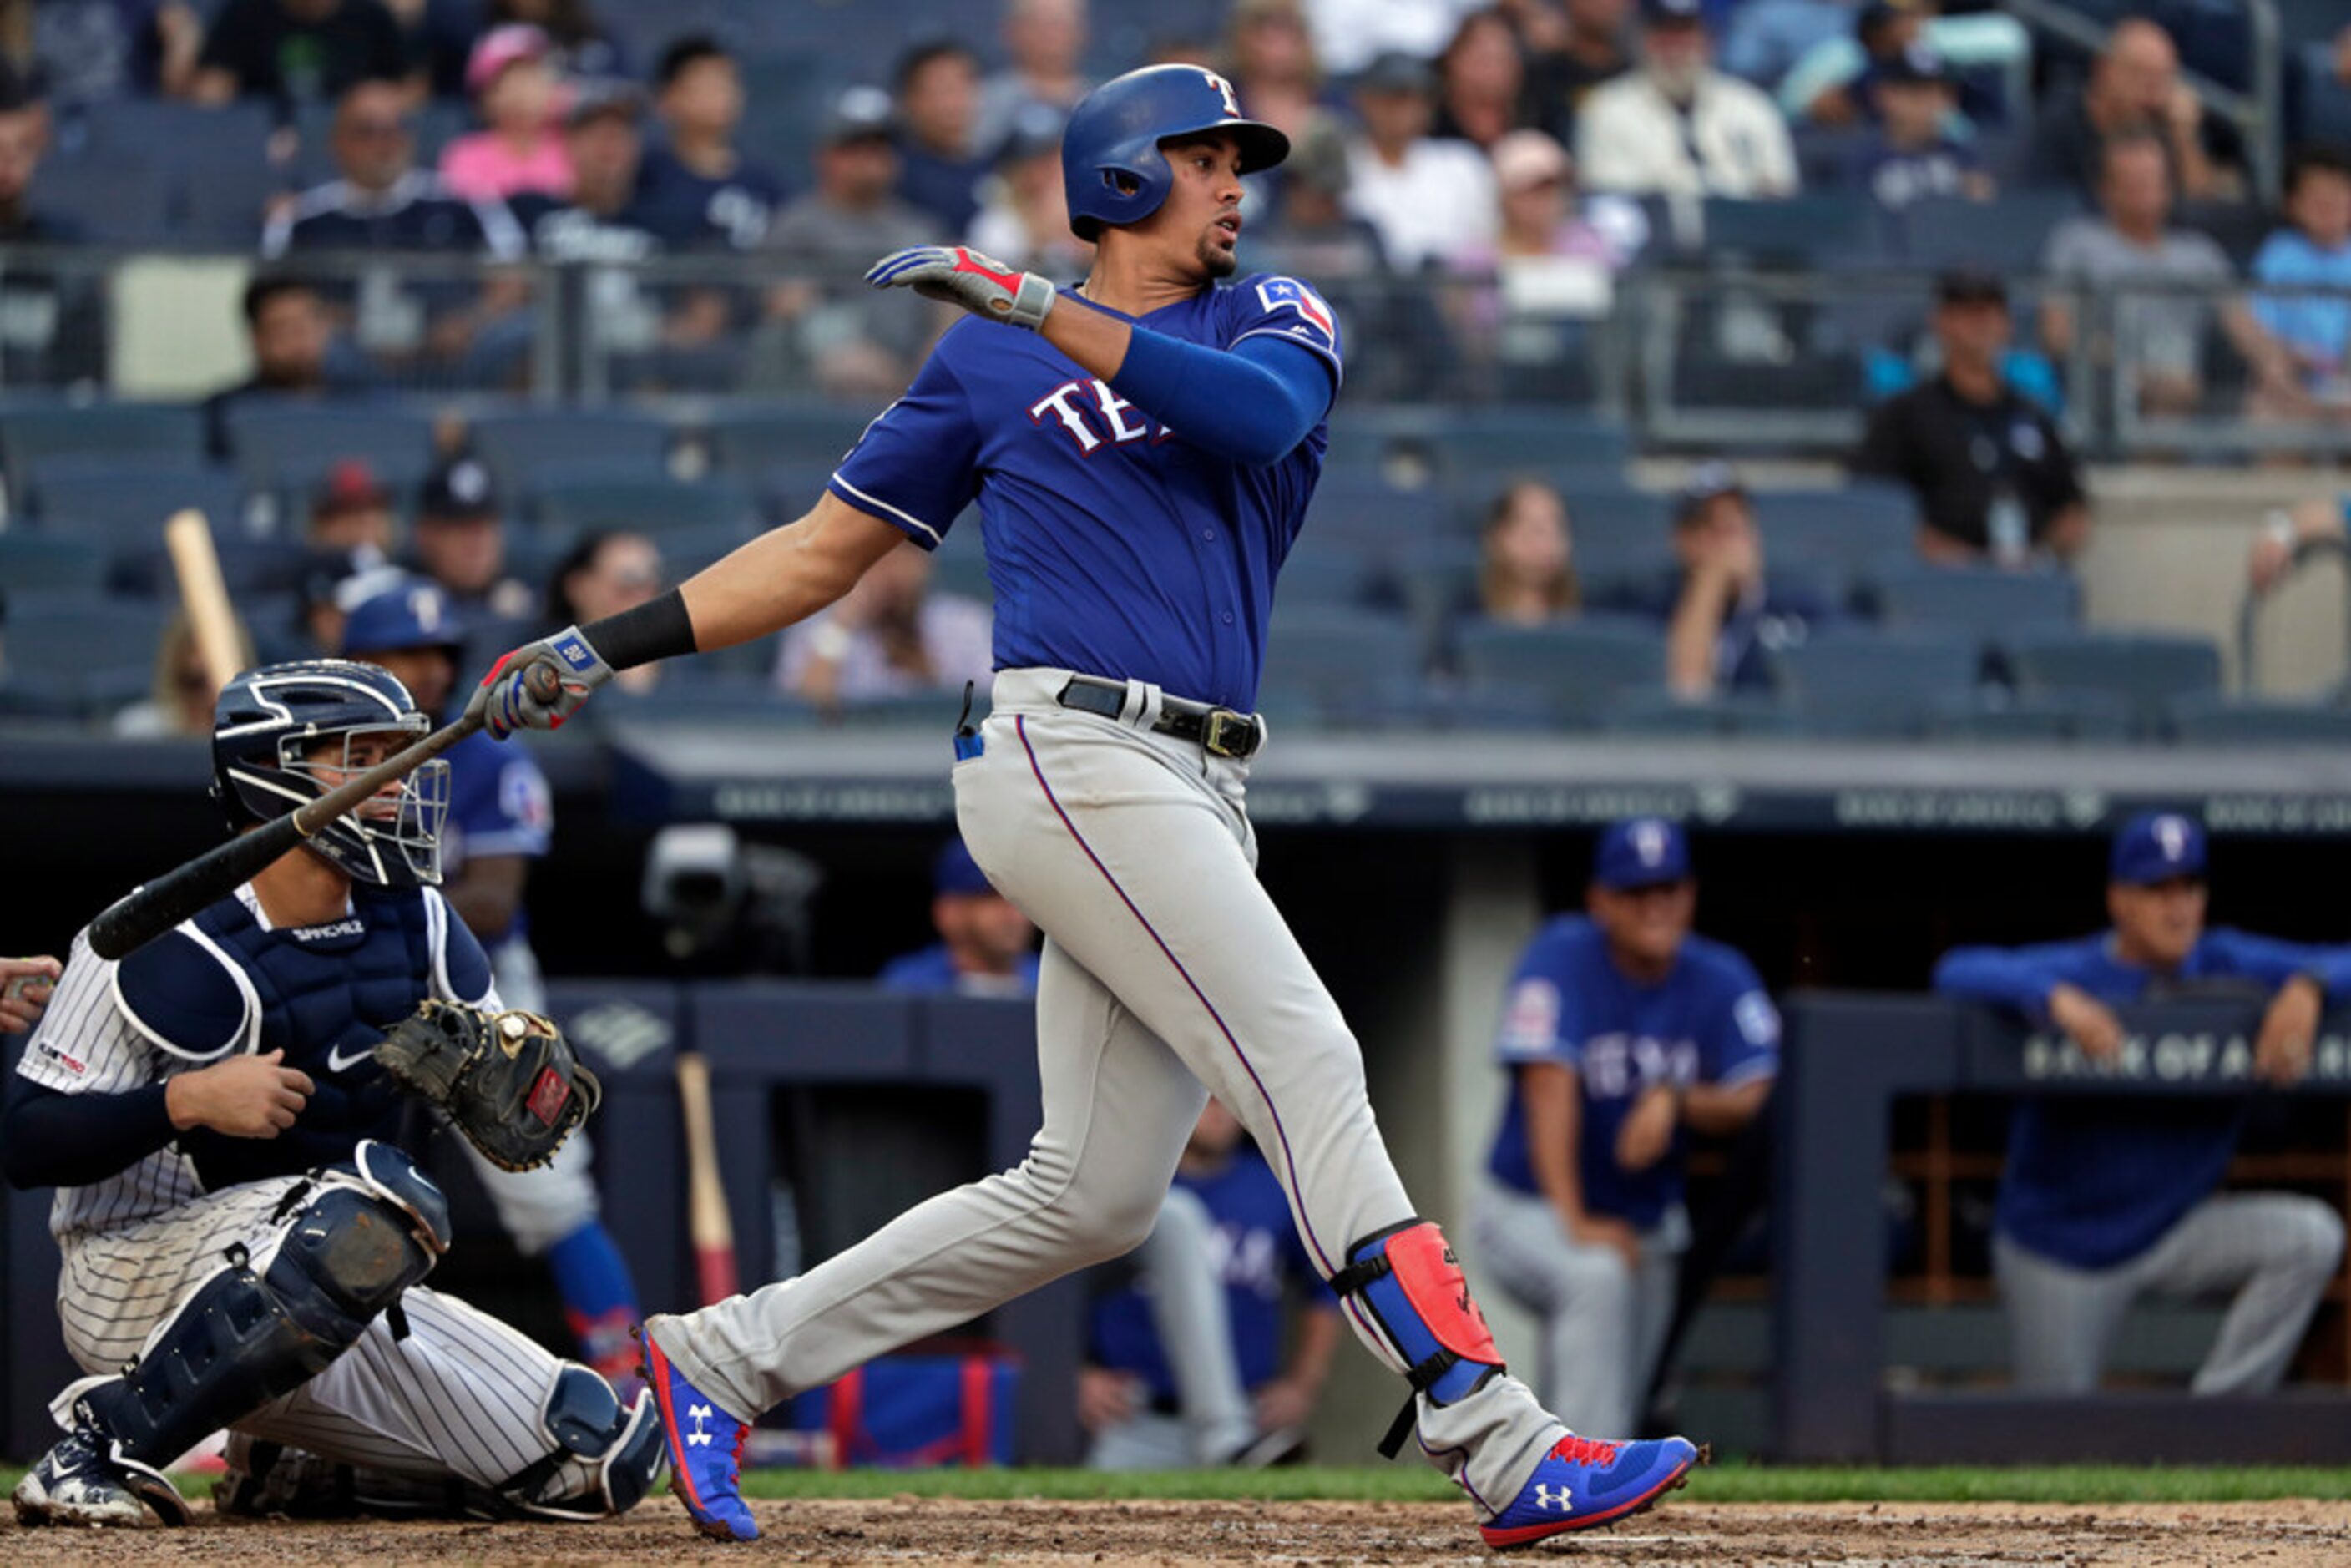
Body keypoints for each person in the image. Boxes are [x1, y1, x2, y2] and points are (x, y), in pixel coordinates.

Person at [467, 61, 1700, 1547]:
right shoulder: (986, 365)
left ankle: (719, 1358)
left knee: (1096, 1193)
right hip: (1068, 746)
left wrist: (1037, 303)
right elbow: (813, 555)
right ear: (1121, 175)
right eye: (1204, 156)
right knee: (1303, 1051)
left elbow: (1251, 420)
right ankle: (1496, 1435)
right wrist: (599, 644)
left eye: (1240, 157)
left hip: (1199, 770)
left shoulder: (1274, 315)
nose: (1237, 179)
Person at [3, 660, 662, 1528]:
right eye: (360, 757)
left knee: (596, 1456)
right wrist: (186, 1101)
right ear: (270, 776)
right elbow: (26, 1142)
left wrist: (504, 1081)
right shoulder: (154, 935)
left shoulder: (417, 918)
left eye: (398, 754)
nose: (392, 784)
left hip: (319, 1284)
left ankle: (295, 1466)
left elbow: (514, 1104)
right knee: (364, 1208)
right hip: (132, 1274)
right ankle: (97, 1447)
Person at [335, 579, 645, 1389]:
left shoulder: (484, 755)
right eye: (403, 652)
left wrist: (368, 896)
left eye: (436, 654)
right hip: (350, 970)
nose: (426, 671)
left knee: (548, 1192)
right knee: (315, 1175)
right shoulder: (320, 758)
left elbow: (493, 900)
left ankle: (626, 1372)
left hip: (472, 981)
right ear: (359, 662)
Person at [1934, 812, 2349, 1395]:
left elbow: (2342, 960)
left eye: (2190, 888)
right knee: (2056, 1448)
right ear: (2119, 901)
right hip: (2061, 1246)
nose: (2177, 907)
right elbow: (1956, 969)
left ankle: (2215, 1421)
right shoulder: (2081, 970)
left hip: (2172, 1230)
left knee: (2311, 1236)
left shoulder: (2226, 960)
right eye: (2157, 890)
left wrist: (2309, 986)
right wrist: (2054, 999)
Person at [1472, 817, 1776, 1437]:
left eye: (1668, 889)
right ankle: (1577, 1476)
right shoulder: (1562, 953)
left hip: (1647, 1224)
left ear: (1689, 895)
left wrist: (1676, 1099)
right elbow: (1547, 1085)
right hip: (1526, 1206)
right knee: (1597, 1277)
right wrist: (1575, 1219)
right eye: (1636, 893)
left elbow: (1760, 1094)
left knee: (1625, 1396)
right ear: (1601, 902)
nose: (1656, 906)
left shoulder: (1719, 975)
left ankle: (1568, 1464)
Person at [1083, 1098, 1341, 1469]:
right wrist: (1073, 1376)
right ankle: (1227, 1438)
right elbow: (1058, 1283)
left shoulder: (1272, 1188)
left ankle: (1228, 1436)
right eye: (1207, 1099)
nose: (1221, 1112)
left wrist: (1303, 1385)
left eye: (1230, 1099)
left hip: (1248, 1416)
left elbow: (1325, 1288)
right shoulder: (1131, 1185)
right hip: (1133, 1418)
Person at [2040, 134, 2295, 421]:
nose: (2144, 190)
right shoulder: (2076, 244)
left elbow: (2244, 327)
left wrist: (2272, 363)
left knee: (2273, 414)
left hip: (2191, 393)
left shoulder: (2200, 253)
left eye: (2151, 180)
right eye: (2131, 181)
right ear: (2105, 189)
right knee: (2156, 409)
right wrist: (2132, 370)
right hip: (2108, 394)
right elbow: (2057, 335)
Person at [1854, 269, 2091, 565]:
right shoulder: (1905, 415)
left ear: (2008, 324)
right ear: (1941, 321)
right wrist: (1956, 559)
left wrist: (2040, 556)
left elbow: (2072, 504)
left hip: (2028, 583)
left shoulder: (2032, 415)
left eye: (1991, 312)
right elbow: (1871, 505)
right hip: (1934, 588)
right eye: (1967, 312)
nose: (1981, 323)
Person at [761, 86, 945, 398]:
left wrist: (930, 367)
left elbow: (946, 312)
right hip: (822, 396)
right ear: (825, 156)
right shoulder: (797, 225)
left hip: (909, 389)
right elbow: (788, 305)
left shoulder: (920, 228)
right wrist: (854, 356)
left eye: (880, 147)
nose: (870, 159)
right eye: (855, 146)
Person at [1623, 464, 1838, 698]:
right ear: (1681, 540)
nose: (1729, 533)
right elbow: (1684, 691)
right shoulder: (1655, 605)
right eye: (1709, 524)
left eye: (1737, 520)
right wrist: (1710, 582)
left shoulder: (1799, 607)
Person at [267, 76, 527, 258]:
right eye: (366, 132)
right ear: (338, 142)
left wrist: (469, 323)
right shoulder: (301, 219)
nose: (382, 144)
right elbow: (275, 297)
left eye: (393, 130)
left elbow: (516, 275)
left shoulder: (468, 202)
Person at [1576, 0, 1798, 199]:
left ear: (1709, 41)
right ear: (1643, 40)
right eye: (1664, 34)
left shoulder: (1752, 107)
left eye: (1686, 33)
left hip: (1743, 241)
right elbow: (1609, 201)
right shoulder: (1607, 109)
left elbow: (1780, 194)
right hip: (1651, 241)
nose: (1676, 48)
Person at [2022, 16, 2237, 203]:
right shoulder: (2063, 116)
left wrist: (2185, 138)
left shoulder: (2165, 122)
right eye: (2140, 76)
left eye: (2162, 80)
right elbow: (2036, 200)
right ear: (2105, 69)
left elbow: (2202, 213)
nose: (2152, 93)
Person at [774, 536, 993, 711]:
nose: (890, 572)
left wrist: (929, 676)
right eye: (878, 559)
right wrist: (839, 629)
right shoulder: (822, 628)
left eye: (902, 557)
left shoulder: (965, 623)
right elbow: (799, 715)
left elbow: (991, 709)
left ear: (924, 564)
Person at [1342, 50, 1499, 272]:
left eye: (1414, 99)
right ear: (1365, 100)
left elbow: (1483, 242)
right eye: (1393, 98)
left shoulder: (1460, 164)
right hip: (1370, 293)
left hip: (1448, 290)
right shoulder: (1343, 164)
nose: (1403, 111)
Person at [636, 35, 785, 252]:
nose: (721, 95)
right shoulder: (643, 178)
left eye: (728, 82)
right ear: (667, 98)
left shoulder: (764, 184)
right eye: (706, 85)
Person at [2249, 145, 2351, 416]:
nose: (2328, 205)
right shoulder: (2277, 254)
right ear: (2292, 204)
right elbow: (2259, 329)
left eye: (2338, 193)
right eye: (2316, 196)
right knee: (2264, 413)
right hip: (2293, 382)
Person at [200, 276, 345, 461]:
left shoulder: (358, 406)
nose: (302, 337)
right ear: (257, 339)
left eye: (310, 322)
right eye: (285, 328)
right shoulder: (225, 414)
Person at [877, 837, 1042, 998]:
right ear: (948, 912)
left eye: (1019, 899)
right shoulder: (907, 986)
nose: (1015, 915)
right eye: (991, 898)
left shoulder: (1053, 982)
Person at [1842, 43, 1992, 210]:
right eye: (1913, 93)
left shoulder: (1965, 157)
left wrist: (1979, 198)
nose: (1926, 102)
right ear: (1883, 95)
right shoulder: (1861, 160)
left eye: (1936, 92)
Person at [188, 0, 415, 109]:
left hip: (352, 139)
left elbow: (405, 93)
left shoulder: (371, 17)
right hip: (263, 144)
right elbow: (210, 96)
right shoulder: (244, 13)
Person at [439, 23, 572, 204]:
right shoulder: (465, 156)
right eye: (506, 82)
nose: (522, 92)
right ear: (485, 99)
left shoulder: (573, 150)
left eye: (532, 77)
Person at [407, 453, 536, 622]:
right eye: (461, 530)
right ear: (425, 534)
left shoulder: (530, 606)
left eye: (484, 529)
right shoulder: (398, 603)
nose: (475, 546)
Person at [967, 103, 1090, 276]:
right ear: (1013, 170)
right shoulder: (996, 225)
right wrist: (1041, 234)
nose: (1051, 171)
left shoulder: (1079, 212)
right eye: (1038, 162)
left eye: (1055, 158)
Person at [544, 530, 665, 695]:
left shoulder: (686, 664)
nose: (643, 597)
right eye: (627, 584)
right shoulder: (546, 669)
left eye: (651, 584)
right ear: (580, 587)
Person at [894, 41, 993, 238]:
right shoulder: (892, 169)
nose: (953, 102)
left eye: (962, 86)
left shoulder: (996, 167)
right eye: (940, 89)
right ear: (909, 99)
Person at [112, 609, 260, 738]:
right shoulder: (139, 736)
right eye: (195, 683)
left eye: (224, 685)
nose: (211, 699)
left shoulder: (261, 736)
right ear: (173, 682)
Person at [973, 0, 1094, 158]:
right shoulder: (985, 100)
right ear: (1010, 31)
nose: (1051, 35)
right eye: (1039, 24)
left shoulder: (1101, 103)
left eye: (1059, 24)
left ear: (1082, 32)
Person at [1433, 7, 1545, 150]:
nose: (1494, 74)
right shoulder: (1424, 132)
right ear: (1450, 63)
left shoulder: (1536, 124)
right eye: (1482, 61)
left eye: (1503, 60)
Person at [1473, 477, 1580, 627]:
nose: (1549, 543)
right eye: (1535, 530)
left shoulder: (1588, 617)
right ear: (1499, 536)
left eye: (1558, 529)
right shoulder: (1468, 617)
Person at [1223, 0, 1324, 148]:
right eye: (1264, 31)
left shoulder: (1333, 105)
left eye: (1287, 29)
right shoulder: (1221, 103)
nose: (1277, 44)